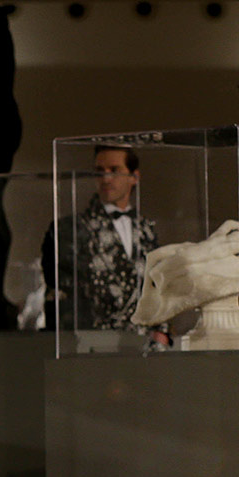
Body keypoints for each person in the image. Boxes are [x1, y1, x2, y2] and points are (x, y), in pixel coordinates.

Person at [42, 145, 168, 344]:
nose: (106, 179)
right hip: (93, 345)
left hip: (143, 347)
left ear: (134, 177)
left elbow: (159, 286)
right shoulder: (72, 229)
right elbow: (61, 297)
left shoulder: (146, 229)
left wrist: (162, 332)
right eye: (99, 172)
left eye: (114, 171)